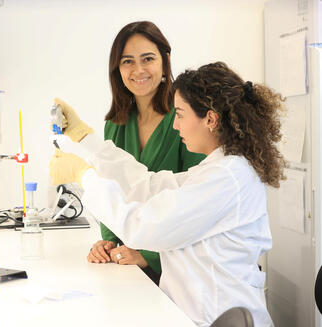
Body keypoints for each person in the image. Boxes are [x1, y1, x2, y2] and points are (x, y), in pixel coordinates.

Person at [49, 62, 285, 327]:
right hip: (197, 312)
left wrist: (85, 177)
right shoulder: (219, 169)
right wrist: (84, 138)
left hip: (213, 318)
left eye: (181, 114)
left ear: (210, 119)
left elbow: (145, 227)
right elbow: (147, 185)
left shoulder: (227, 178)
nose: (175, 125)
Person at [55, 21, 204, 285]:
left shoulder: (185, 120)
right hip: (127, 263)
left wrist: (148, 255)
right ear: (117, 69)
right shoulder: (117, 124)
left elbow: (195, 201)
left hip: (175, 264)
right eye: (127, 61)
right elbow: (115, 186)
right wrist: (108, 242)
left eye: (147, 59)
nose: (138, 70)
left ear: (165, 61)